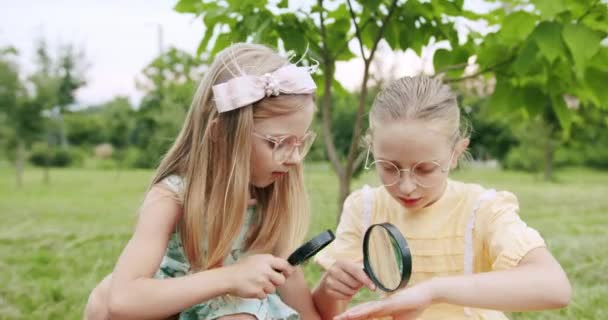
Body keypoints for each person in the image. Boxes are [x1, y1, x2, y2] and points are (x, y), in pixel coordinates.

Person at [84, 43, 321, 320]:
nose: (294, 158)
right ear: (220, 134)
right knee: (104, 297)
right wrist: (230, 277)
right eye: (277, 143)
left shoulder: (271, 204)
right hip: (172, 307)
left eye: (300, 143)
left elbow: (299, 300)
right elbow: (123, 300)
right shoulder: (172, 198)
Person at [312, 76, 571, 320]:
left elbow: (555, 287)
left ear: (456, 153)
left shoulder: (482, 209)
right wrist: (331, 288)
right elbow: (325, 312)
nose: (407, 187)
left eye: (425, 169)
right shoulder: (364, 207)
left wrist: (433, 291)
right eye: (389, 167)